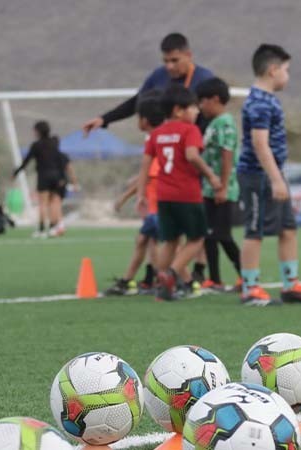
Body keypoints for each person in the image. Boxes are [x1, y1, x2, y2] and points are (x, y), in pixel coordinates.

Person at [237, 44, 301, 306]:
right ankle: (250, 288)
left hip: (274, 174)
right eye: (286, 70)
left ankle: (290, 284)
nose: (288, 75)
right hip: (256, 176)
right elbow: (260, 144)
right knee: (255, 231)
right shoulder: (259, 102)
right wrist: (275, 178)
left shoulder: (270, 100)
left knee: (288, 229)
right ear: (273, 70)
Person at [136, 86, 221, 301]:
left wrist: (140, 195)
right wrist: (211, 175)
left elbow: (145, 166)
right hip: (187, 193)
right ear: (178, 110)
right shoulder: (189, 130)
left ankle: (162, 289)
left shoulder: (156, 134)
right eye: (192, 107)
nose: (197, 112)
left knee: (170, 240)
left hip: (164, 196)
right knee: (197, 239)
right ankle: (171, 274)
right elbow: (192, 155)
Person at [83, 33, 215, 135]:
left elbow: (212, 116)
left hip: (194, 146)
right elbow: (138, 101)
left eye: (175, 60)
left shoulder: (204, 78)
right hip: (163, 143)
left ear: (188, 55)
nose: (169, 66)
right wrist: (104, 119)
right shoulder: (159, 75)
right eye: (166, 61)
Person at [105, 91, 166, 296]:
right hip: (154, 204)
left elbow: (148, 175)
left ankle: (163, 280)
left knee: (154, 243)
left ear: (144, 120)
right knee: (143, 241)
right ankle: (130, 280)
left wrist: (124, 197)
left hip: (158, 205)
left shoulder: (158, 140)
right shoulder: (157, 138)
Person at [195, 77, 242, 292]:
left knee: (222, 235)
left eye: (202, 101)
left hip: (224, 189)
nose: (199, 106)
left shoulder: (225, 122)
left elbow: (227, 155)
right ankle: (214, 279)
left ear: (215, 99)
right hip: (208, 188)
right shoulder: (213, 123)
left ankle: (246, 275)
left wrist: (222, 186)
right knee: (209, 235)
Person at [13, 121, 67, 238]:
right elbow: (60, 160)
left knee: (43, 203)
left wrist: (16, 172)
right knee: (54, 203)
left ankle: (41, 229)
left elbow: (26, 161)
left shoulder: (36, 145)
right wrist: (63, 177)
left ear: (38, 131)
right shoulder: (54, 143)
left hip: (44, 175)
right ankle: (53, 227)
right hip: (57, 175)